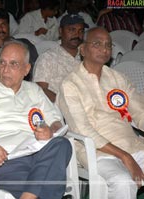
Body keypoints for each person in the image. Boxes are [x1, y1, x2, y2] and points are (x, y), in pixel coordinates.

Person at [0, 40, 72, 199]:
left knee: (62, 143)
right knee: (47, 181)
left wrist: (50, 130)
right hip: (7, 159)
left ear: (26, 69)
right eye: (2, 63)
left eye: (13, 64)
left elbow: (56, 121)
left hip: (39, 154)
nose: (5, 69)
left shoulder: (34, 90)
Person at [57, 27, 144, 199]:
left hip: (131, 144)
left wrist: (128, 154)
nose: (104, 49)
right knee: (122, 182)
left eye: (108, 45)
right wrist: (125, 157)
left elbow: (140, 112)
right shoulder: (70, 84)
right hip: (97, 152)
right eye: (97, 44)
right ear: (83, 49)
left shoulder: (118, 78)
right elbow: (83, 130)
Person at [33, 14, 87, 102]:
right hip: (57, 109)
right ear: (60, 31)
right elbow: (40, 90)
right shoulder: (48, 58)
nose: (77, 34)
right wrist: (65, 104)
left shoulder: (87, 57)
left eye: (81, 31)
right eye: (72, 30)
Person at [0, 8, 38, 81]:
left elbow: (36, 72)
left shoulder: (24, 44)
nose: (0, 29)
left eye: (3, 24)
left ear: (8, 26)